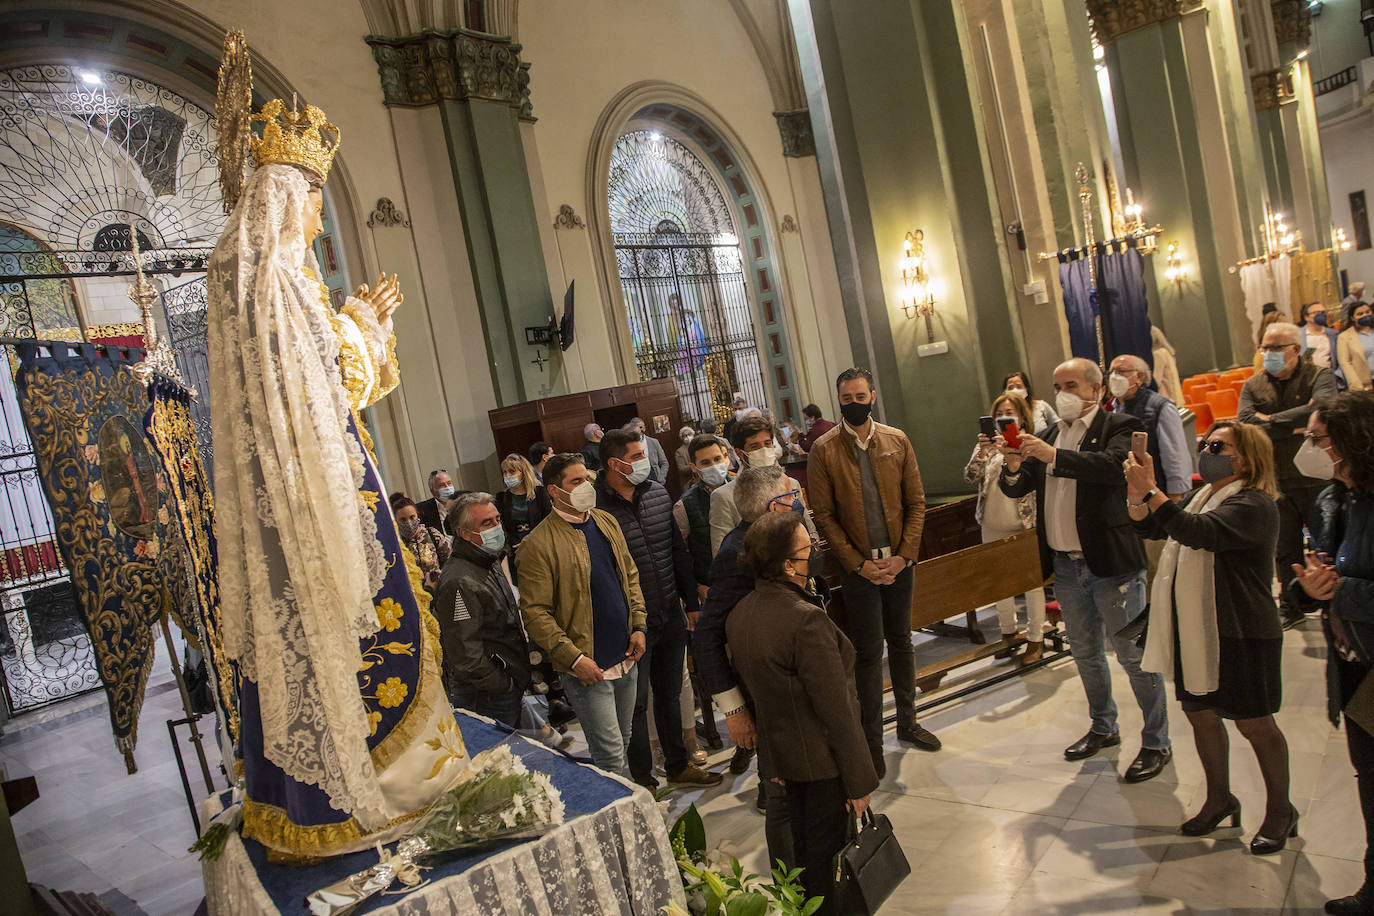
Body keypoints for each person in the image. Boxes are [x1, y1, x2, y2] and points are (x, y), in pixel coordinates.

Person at [206, 93, 460, 856]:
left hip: (292, 485)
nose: (318, 217)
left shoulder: (247, 274)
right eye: (313, 198)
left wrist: (352, 324)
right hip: (314, 489)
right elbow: (317, 391)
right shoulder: (276, 279)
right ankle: (375, 791)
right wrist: (362, 323)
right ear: (287, 198)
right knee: (353, 624)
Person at [998, 358, 1172, 782]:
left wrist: (1053, 455)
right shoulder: (1051, 433)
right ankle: (1103, 724)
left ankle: (1156, 741)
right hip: (1065, 563)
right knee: (1086, 652)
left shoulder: (1119, 426)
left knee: (1133, 656)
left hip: (1109, 563)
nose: (1063, 393)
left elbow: (1113, 469)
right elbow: (1018, 487)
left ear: (1096, 388)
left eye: (1071, 384)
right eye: (1057, 385)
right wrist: (1015, 464)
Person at [1127, 422, 1295, 853]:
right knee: (1201, 714)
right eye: (1205, 443)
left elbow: (1200, 534)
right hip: (1198, 625)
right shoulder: (1203, 497)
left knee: (1254, 723)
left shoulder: (1254, 503)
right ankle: (1220, 797)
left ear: (1246, 458)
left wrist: (1152, 491)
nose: (1207, 450)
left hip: (1241, 630)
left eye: (1217, 445)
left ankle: (1280, 809)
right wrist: (1140, 493)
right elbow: (1159, 529)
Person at [728, 512, 878, 910]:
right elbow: (837, 709)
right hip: (824, 765)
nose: (813, 551)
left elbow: (762, 698)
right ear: (787, 564)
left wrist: (772, 762)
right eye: (806, 548)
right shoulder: (805, 620)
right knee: (832, 869)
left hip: (785, 761)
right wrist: (859, 781)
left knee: (807, 865)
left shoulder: (741, 614)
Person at [809, 367, 940, 771]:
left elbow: (916, 503)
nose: (853, 404)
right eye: (846, 398)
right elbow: (825, 516)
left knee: (901, 641)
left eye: (859, 396)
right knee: (867, 653)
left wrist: (904, 555)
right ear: (839, 400)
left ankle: (908, 722)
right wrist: (859, 565)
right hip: (858, 568)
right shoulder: (824, 449)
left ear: (873, 395)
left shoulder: (896, 440)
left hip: (900, 560)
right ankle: (871, 742)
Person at [1288, 395, 1374, 913]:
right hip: (1353, 666)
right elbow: (1317, 575)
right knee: (1369, 779)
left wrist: (1338, 590)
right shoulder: (1333, 499)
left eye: (1318, 439)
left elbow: (1342, 584)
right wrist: (1306, 590)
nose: (1312, 448)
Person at [595, 429, 719, 787]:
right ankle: (643, 780)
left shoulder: (657, 493)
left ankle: (679, 765)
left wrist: (690, 603)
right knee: (635, 704)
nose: (644, 462)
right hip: (632, 622)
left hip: (669, 609)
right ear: (613, 464)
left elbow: (676, 552)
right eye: (636, 457)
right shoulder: (599, 508)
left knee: (669, 694)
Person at [697, 467, 809, 865]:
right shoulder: (736, 554)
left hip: (794, 681)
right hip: (766, 688)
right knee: (779, 790)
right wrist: (735, 709)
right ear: (772, 507)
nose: (796, 502)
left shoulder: (777, 541)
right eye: (788, 496)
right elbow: (707, 636)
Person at [518, 453, 647, 777]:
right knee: (610, 755)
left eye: (586, 479)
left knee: (625, 739)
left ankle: (633, 814)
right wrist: (573, 659)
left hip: (625, 655)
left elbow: (629, 575)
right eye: (576, 482)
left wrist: (639, 625)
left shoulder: (605, 521)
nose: (586, 486)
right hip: (587, 667)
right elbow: (535, 612)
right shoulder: (538, 543)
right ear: (554, 491)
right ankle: (621, 823)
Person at [1239, 321, 1339, 625]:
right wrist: (1295, 424)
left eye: (1275, 348)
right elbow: (1245, 421)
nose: (1268, 353)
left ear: (1295, 349)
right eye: (1264, 347)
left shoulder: (1318, 376)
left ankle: (1334, 603)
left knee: (1328, 542)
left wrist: (1269, 421)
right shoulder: (1253, 384)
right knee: (1284, 547)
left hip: (1317, 479)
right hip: (1276, 479)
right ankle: (1291, 606)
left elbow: (1323, 408)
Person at [434, 492, 531, 727]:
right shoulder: (459, 581)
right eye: (487, 523)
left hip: (507, 683)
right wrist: (503, 683)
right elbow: (466, 655)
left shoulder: (488, 559)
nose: (496, 527)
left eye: (497, 519)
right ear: (465, 533)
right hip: (487, 695)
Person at [964, 392, 1047, 665]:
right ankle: (1008, 633)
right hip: (991, 523)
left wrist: (1014, 452)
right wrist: (985, 451)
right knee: (1000, 583)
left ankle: (1035, 639)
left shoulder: (1030, 443)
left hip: (1023, 523)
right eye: (999, 414)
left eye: (1010, 413)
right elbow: (969, 477)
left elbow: (1035, 476)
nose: (1004, 418)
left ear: (1022, 416)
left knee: (1031, 583)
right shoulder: (985, 446)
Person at [673, 432, 735, 750]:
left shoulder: (745, 487)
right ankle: (739, 736)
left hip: (748, 591)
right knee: (722, 669)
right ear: (696, 468)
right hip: (710, 596)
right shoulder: (686, 506)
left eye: (718, 459)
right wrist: (696, 589)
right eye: (706, 463)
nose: (714, 466)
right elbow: (680, 556)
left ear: (727, 456)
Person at [709, 416, 814, 553]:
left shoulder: (792, 484)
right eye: (755, 446)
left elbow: (810, 531)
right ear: (740, 453)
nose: (764, 450)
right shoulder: (724, 496)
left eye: (768, 443)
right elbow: (722, 552)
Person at [1107, 354, 1193, 501]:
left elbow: (1175, 456)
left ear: (1139, 377)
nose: (1114, 376)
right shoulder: (1110, 409)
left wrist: (1175, 496)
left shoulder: (1161, 407)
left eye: (1120, 371)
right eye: (1111, 372)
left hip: (1157, 490)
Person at [494, 453, 551, 584]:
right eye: (505, 472)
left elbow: (549, 520)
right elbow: (502, 526)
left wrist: (531, 540)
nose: (507, 476)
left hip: (541, 546)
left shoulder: (540, 493)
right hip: (516, 549)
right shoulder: (502, 498)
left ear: (523, 472)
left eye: (512, 471)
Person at [390, 494, 452, 592]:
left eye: (412, 517)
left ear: (417, 515)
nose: (409, 523)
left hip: (438, 593)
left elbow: (449, 563)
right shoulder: (394, 544)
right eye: (403, 519)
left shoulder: (433, 535)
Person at [1002, 369, 1059, 434]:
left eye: (1019, 386)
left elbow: (1058, 427)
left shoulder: (1041, 406)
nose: (1015, 390)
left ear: (1026, 389)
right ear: (1005, 392)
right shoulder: (1003, 413)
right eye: (1010, 388)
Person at [1301, 301, 1343, 382]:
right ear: (1307, 317)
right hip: (1307, 380)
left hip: (1329, 378)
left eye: (1323, 312)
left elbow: (1339, 359)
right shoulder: (1298, 334)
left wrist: (1337, 376)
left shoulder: (1334, 335)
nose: (1321, 315)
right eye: (1316, 312)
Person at [1338, 301, 1374, 392]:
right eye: (1360, 314)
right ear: (1352, 318)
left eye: (1367, 312)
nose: (1365, 315)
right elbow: (1345, 363)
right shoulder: (1344, 337)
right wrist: (1356, 385)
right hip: (1365, 385)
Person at [626, 416, 671, 483]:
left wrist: (661, 477)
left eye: (642, 427)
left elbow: (664, 463)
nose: (641, 430)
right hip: (641, 481)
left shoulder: (654, 442)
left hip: (656, 479)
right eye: (638, 427)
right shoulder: (629, 445)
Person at [416, 468, 458, 534]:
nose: (447, 488)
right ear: (432, 491)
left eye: (449, 483)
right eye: (442, 485)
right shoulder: (421, 510)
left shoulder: (464, 503)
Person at [1152, 326, 1185, 407]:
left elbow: (1155, 382)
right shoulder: (1168, 353)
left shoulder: (1157, 355)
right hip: (1175, 399)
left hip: (1165, 401)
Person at [1253, 308, 1291, 373]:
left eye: (1286, 324)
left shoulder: (1286, 345)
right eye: (1282, 325)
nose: (1286, 328)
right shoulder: (1263, 353)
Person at [673, 425, 696, 490]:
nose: (687, 437)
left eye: (689, 434)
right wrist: (695, 465)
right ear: (681, 438)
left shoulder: (698, 446)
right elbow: (681, 469)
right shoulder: (679, 452)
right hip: (689, 483)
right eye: (684, 436)